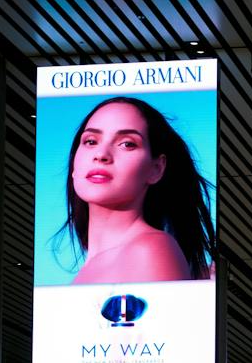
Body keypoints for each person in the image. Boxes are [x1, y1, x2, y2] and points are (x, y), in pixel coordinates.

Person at [56, 97, 214, 284]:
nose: (101, 154)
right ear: (74, 165)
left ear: (156, 169)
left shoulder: (149, 250)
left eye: (127, 144)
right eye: (91, 141)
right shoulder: (88, 269)